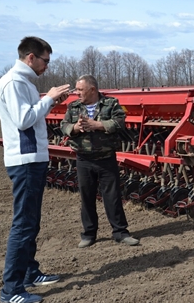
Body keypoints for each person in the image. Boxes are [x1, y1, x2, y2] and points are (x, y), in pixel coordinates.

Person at [0, 36, 70, 303]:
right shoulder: (15, 82)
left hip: (32, 159)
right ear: (31, 57)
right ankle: (11, 289)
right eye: (45, 61)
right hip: (25, 161)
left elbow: (30, 113)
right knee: (24, 224)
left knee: (31, 221)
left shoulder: (23, 83)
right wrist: (48, 99)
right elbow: (24, 119)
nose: (47, 66)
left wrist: (50, 100)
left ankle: (29, 272)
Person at [60, 74, 140, 248]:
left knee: (112, 197)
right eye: (76, 89)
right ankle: (89, 234)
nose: (77, 93)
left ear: (92, 89)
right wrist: (75, 127)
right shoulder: (73, 107)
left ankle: (120, 232)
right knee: (86, 198)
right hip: (83, 159)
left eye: (80, 89)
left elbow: (120, 122)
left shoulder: (111, 104)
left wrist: (97, 125)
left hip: (106, 159)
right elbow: (63, 126)